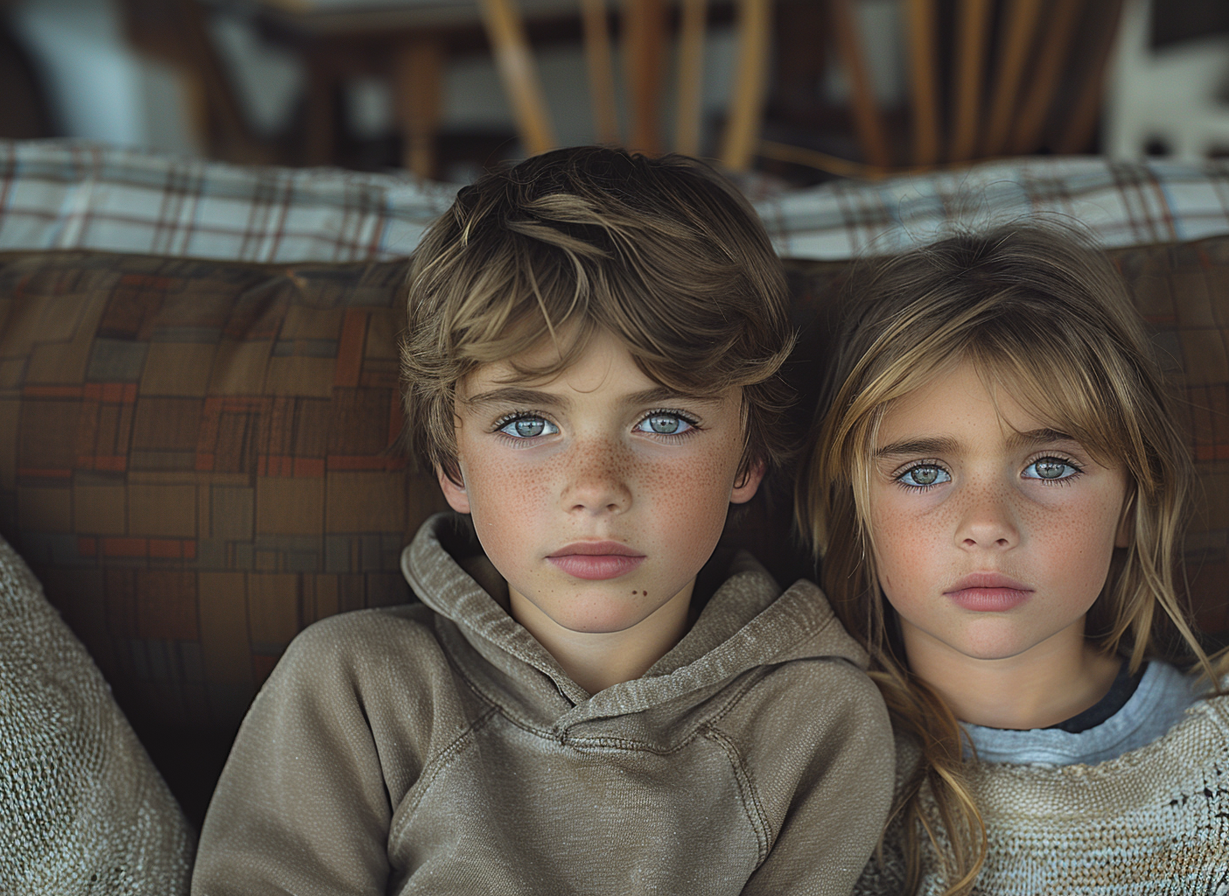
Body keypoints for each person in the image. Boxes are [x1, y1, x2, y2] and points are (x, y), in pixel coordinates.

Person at [190, 146, 894, 895]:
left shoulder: (819, 721)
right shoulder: (355, 688)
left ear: (747, 461)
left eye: (664, 421)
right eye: (527, 424)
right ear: (454, 466)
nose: (595, 490)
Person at [796, 225, 1229, 895]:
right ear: (855, 513)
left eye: (1049, 466)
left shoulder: (1217, 759)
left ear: (1132, 502)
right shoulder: (812, 779)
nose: (987, 526)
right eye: (921, 473)